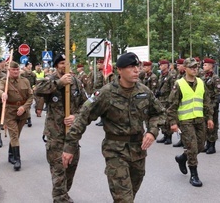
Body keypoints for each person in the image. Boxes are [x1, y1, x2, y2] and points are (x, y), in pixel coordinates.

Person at [62, 52, 165, 202]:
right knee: (124, 199)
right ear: (119, 70)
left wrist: (152, 131)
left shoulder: (144, 92)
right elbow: (83, 117)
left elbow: (159, 113)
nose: (136, 70)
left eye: (137, 66)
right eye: (131, 67)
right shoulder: (105, 93)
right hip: (115, 151)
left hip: (138, 150)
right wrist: (70, 147)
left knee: (131, 193)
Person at [36, 54, 88, 203]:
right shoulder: (50, 80)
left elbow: (86, 105)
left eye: (67, 63)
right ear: (57, 65)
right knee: (59, 171)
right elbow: (37, 91)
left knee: (70, 169)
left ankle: (63, 194)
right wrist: (59, 83)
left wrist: (76, 116)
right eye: (62, 63)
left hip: (72, 136)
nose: (65, 65)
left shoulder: (76, 83)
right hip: (55, 135)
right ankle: (60, 199)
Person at [168, 58, 213, 187]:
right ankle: (194, 175)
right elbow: (172, 105)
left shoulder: (200, 82)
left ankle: (182, 158)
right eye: (192, 67)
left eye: (196, 67)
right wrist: (173, 122)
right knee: (192, 147)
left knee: (200, 146)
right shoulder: (179, 84)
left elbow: (206, 102)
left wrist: (209, 118)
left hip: (199, 120)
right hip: (185, 120)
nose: (195, 69)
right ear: (185, 69)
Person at [0, 61, 33, 171]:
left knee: (16, 135)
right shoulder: (5, 81)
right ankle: (18, 160)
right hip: (10, 112)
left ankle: (10, 153)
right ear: (9, 71)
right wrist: (2, 94)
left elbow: (31, 97)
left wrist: (24, 107)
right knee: (13, 134)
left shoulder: (25, 81)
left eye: (17, 69)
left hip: (22, 112)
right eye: (13, 70)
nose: (16, 72)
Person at [201, 58, 220, 154]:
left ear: (211, 66)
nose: (203, 66)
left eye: (205, 65)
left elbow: (218, 94)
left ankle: (212, 145)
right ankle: (207, 144)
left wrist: (214, 106)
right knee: (205, 125)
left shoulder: (215, 78)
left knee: (212, 126)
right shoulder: (203, 77)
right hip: (204, 105)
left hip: (212, 105)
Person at [155, 59, 175, 144]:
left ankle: (169, 136)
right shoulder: (161, 76)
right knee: (162, 119)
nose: (160, 66)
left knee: (168, 119)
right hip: (161, 100)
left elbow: (172, 89)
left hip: (167, 100)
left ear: (166, 65)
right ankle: (165, 135)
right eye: (160, 65)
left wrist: (170, 100)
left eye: (162, 65)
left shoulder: (171, 76)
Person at [21, 62, 37, 127]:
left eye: (31, 65)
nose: (30, 66)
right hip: (23, 91)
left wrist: (34, 87)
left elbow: (35, 83)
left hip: (30, 91)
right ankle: (28, 119)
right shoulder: (22, 74)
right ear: (26, 66)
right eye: (28, 65)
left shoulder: (33, 74)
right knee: (26, 105)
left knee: (28, 106)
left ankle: (27, 118)